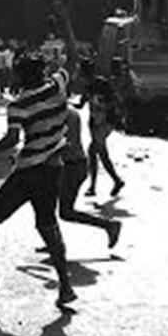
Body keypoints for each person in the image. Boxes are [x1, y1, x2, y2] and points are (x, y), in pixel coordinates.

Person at [0, 53, 76, 308]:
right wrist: (67, 30)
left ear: (21, 75)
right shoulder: (57, 86)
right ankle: (65, 286)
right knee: (48, 226)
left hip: (28, 171)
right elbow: (71, 63)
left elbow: (12, 139)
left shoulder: (18, 105)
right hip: (54, 169)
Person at [56, 106, 122, 250]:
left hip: (71, 166)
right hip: (71, 165)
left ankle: (109, 225)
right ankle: (52, 241)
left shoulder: (64, 114)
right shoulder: (69, 112)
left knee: (65, 212)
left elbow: (67, 143)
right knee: (47, 204)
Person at [81, 60, 127, 198]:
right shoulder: (87, 85)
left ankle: (97, 185)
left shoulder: (102, 84)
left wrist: (103, 107)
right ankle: (112, 182)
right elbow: (82, 102)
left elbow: (115, 101)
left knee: (95, 151)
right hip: (95, 122)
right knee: (98, 153)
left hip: (106, 122)